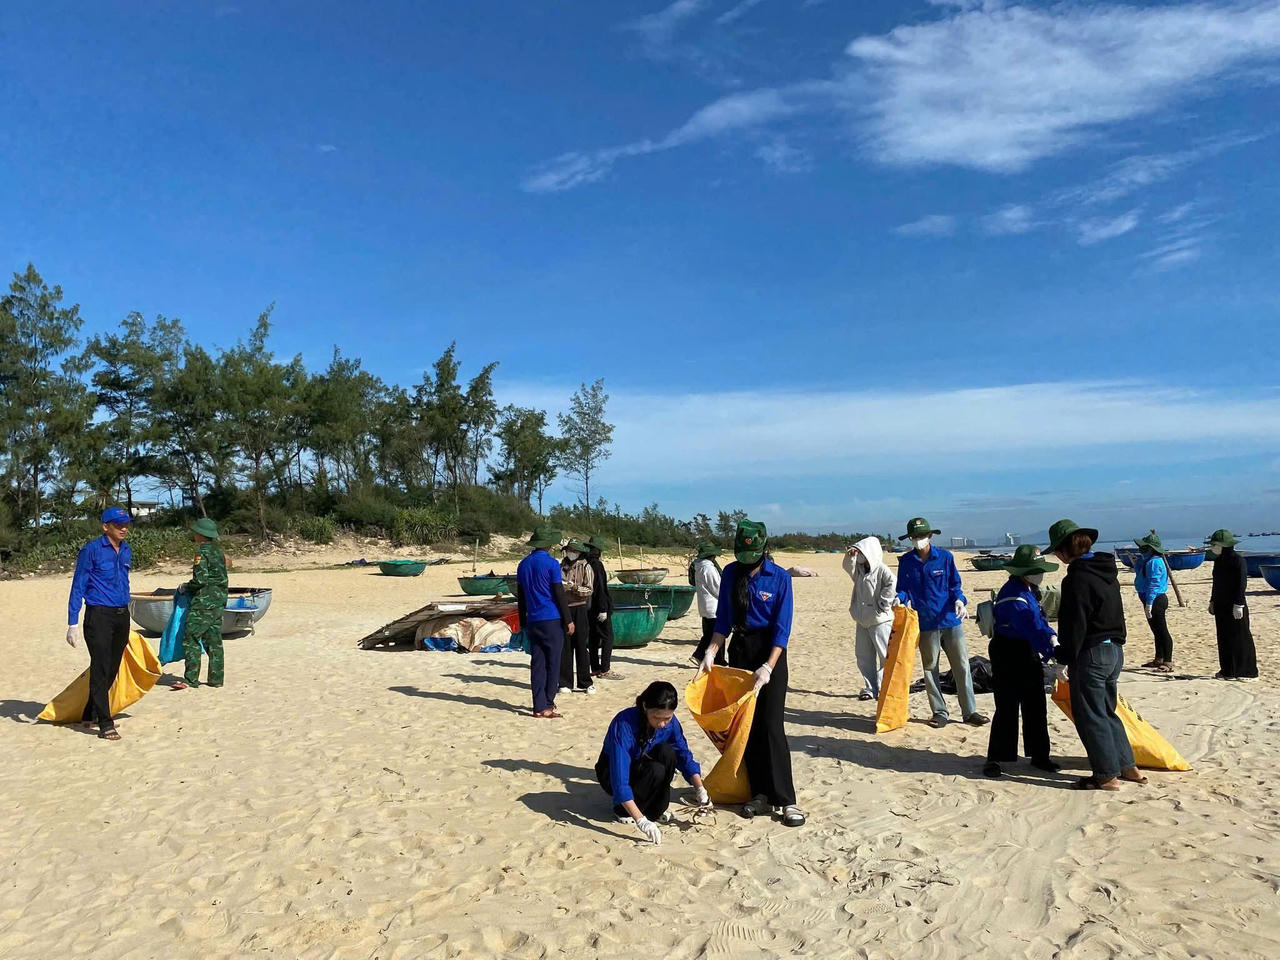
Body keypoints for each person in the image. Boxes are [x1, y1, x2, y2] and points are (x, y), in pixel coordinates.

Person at [698, 520, 804, 827]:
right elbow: (723, 621)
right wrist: (711, 652)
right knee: (747, 727)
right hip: (740, 651)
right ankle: (759, 793)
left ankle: (785, 799)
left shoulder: (780, 578)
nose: (747, 562)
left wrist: (768, 667)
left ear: (764, 549)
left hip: (770, 653)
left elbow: (782, 629)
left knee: (771, 725)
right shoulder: (731, 573)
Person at [1047, 519, 1146, 791]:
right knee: (1107, 710)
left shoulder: (1076, 578)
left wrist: (1064, 656)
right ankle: (1129, 767)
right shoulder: (1106, 572)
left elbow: (1074, 623)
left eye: (1057, 551)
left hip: (1092, 653)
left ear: (1064, 551)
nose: (1057, 557)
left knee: (1090, 714)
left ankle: (1105, 775)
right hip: (1115, 650)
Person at [894, 517, 988, 729]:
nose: (918, 539)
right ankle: (939, 712)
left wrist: (960, 601)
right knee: (930, 669)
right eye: (914, 536)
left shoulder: (945, 557)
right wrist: (898, 598)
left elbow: (955, 585)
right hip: (925, 623)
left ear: (930, 535)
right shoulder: (906, 561)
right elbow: (903, 589)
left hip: (950, 620)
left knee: (961, 666)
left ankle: (969, 711)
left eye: (921, 535)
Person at [596, 681, 710, 844]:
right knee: (655, 770)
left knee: (668, 752)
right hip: (611, 771)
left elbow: (683, 754)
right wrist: (641, 821)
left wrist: (700, 789)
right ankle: (623, 810)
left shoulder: (671, 723)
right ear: (645, 707)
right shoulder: (624, 724)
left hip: (642, 763)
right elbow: (619, 777)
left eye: (667, 718)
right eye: (656, 717)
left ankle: (655, 810)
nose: (662, 724)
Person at [984, 545, 1061, 778]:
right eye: (1037, 570)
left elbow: (1040, 621)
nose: (1041, 574)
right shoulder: (1014, 597)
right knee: (1007, 706)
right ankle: (996, 758)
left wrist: (1052, 637)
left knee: (1035, 704)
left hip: (1026, 649)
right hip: (1008, 651)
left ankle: (1039, 756)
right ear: (1024, 571)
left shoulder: (1028, 590)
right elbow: (1031, 627)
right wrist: (1052, 651)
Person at [66, 507, 134, 741]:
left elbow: (123, 581)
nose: (123, 529)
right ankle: (105, 723)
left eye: (126, 524)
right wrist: (72, 622)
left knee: (113, 667)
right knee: (100, 666)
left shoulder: (126, 550)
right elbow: (78, 585)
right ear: (106, 526)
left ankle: (90, 712)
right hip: (99, 616)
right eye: (118, 525)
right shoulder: (91, 550)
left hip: (121, 614)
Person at [516, 526, 573, 718]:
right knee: (553, 662)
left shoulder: (523, 564)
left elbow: (521, 597)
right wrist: (568, 620)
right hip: (551, 618)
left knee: (538, 664)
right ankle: (548, 703)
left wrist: (523, 622)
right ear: (549, 544)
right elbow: (559, 593)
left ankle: (538, 706)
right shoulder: (551, 564)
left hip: (532, 619)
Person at [174, 517, 229, 689]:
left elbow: (200, 580)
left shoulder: (201, 552)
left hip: (204, 602)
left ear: (200, 534)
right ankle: (216, 679)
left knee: (191, 638)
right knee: (214, 640)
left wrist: (185, 587)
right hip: (219, 600)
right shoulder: (218, 552)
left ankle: (190, 679)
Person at [842, 536, 896, 701]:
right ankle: (870, 687)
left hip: (880, 621)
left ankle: (883, 686)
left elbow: (892, 583)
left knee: (885, 655)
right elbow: (847, 567)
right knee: (863, 656)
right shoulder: (859, 570)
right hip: (862, 620)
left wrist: (883, 603)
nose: (860, 555)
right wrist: (851, 556)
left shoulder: (882, 569)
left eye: (862, 552)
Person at [1205, 529, 1258, 681]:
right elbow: (1216, 583)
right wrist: (1212, 601)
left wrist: (1239, 603)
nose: (1212, 548)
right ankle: (1227, 671)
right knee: (1224, 637)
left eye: (1215, 545)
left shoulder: (1238, 560)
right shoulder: (1218, 561)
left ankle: (1248, 672)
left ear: (1223, 545)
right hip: (1221, 604)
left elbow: (1241, 583)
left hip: (1235, 604)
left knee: (1241, 637)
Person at [1133, 531, 1176, 673]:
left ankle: (1168, 661)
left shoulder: (1155, 562)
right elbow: (1141, 575)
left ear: (1150, 548)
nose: (1141, 549)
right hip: (1147, 597)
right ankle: (1159, 658)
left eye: (1144, 547)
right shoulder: (1147, 560)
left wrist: (1149, 602)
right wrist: (1137, 562)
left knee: (1162, 630)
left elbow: (1154, 583)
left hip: (1156, 599)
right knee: (1156, 630)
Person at [559, 539, 596, 696]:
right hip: (564, 608)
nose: (571, 553)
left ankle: (585, 682)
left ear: (580, 552)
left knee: (581, 645)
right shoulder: (561, 566)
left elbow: (589, 590)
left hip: (580, 608)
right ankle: (565, 682)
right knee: (565, 647)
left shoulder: (586, 567)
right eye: (569, 549)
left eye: (574, 550)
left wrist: (573, 587)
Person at [584, 536, 618, 680]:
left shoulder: (585, 563)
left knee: (593, 637)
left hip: (588, 607)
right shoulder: (597, 565)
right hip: (598, 607)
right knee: (608, 637)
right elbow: (600, 589)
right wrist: (603, 608)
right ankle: (605, 669)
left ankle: (595, 667)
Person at [689, 540, 725, 668]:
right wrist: (726, 598)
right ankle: (714, 660)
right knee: (718, 634)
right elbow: (717, 587)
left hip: (704, 606)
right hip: (713, 607)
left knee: (709, 634)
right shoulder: (708, 568)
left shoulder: (698, 567)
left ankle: (707, 657)